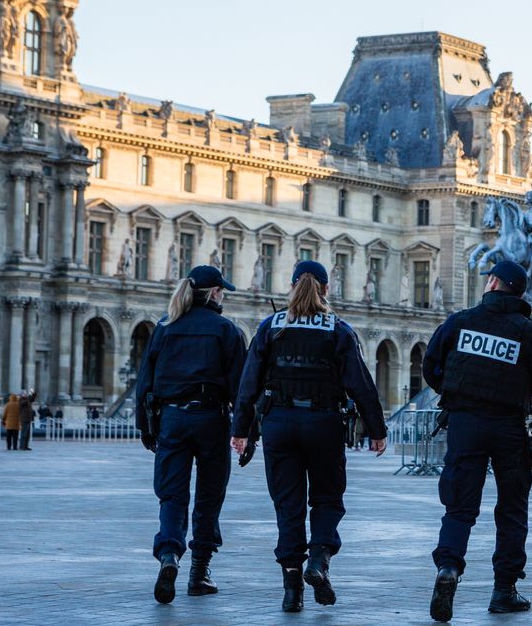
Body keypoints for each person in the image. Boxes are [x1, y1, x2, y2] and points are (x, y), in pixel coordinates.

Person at [231, 260, 388, 613]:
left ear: (291, 287)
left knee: (288, 506)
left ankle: (291, 589)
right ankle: (318, 559)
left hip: (279, 423)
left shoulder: (271, 327)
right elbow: (362, 385)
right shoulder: (338, 329)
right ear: (326, 290)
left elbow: (248, 383)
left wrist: (240, 429)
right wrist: (376, 430)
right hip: (323, 422)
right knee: (328, 498)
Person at [422, 260, 532, 623]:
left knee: (459, 507)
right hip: (508, 426)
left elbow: (430, 365)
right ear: (519, 291)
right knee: (512, 509)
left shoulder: (459, 321)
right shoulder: (529, 332)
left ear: (492, 282)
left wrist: (454, 392)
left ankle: (449, 568)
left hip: (465, 423)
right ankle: (504, 591)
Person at [136, 265, 246, 605]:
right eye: (222, 291)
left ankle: (169, 554)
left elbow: (145, 381)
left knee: (172, 495)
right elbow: (241, 388)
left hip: (170, 418)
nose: (223, 296)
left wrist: (146, 427)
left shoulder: (165, 327)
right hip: (212, 418)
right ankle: (199, 573)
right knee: (209, 497)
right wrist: (247, 432)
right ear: (213, 293)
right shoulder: (227, 330)